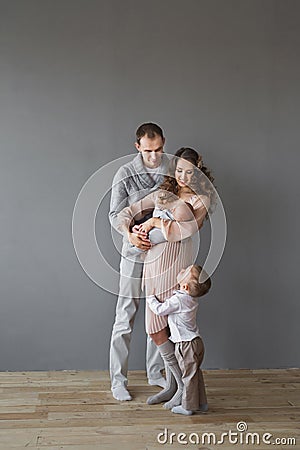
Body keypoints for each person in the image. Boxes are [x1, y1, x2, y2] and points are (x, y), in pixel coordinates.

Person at [117, 147, 216, 407]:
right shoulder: (165, 193)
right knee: (157, 329)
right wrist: (132, 232)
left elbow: (188, 229)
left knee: (168, 327)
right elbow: (130, 210)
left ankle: (182, 388)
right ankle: (174, 386)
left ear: (198, 168)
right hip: (154, 260)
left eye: (189, 171)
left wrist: (153, 223)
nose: (183, 176)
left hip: (177, 262)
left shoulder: (201, 197)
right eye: (179, 170)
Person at [109, 122, 170, 401]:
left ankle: (155, 372)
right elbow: (114, 215)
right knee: (125, 315)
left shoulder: (172, 169)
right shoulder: (124, 173)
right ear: (137, 147)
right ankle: (117, 380)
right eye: (148, 151)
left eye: (158, 150)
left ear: (164, 144)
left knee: (158, 312)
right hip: (133, 250)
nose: (154, 156)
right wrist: (131, 236)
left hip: (162, 250)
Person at [146, 264, 211, 415]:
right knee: (195, 375)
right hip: (196, 342)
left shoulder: (179, 300)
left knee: (188, 376)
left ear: (185, 287)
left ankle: (187, 407)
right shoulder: (190, 300)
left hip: (185, 345)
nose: (181, 270)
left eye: (185, 271)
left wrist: (150, 298)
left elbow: (160, 310)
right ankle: (202, 403)